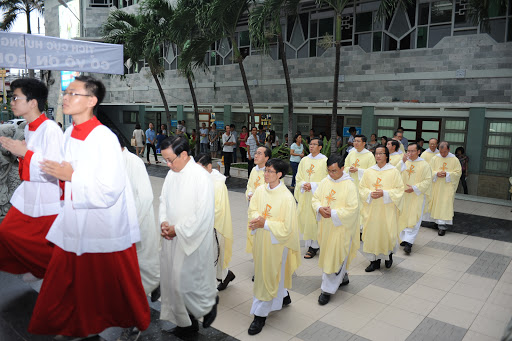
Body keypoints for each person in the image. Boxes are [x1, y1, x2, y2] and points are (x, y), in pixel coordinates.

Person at [35, 76, 150, 340]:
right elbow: (63, 172)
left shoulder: (103, 138)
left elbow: (110, 188)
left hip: (103, 221)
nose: (66, 97)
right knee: (74, 278)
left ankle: (130, 322)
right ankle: (78, 323)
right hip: (76, 216)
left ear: (91, 101)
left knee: (114, 282)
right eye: (66, 92)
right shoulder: (68, 133)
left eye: (73, 93)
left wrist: (72, 175)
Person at [0, 78, 63, 280]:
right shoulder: (28, 128)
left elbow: (54, 169)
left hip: (46, 197)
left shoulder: (51, 129)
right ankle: (47, 271)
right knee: (8, 233)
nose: (12, 102)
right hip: (28, 193)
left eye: (16, 97)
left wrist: (24, 153)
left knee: (42, 245)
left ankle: (59, 272)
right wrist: (20, 152)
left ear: (33, 102)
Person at [159, 136, 218, 337]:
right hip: (172, 237)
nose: (168, 164)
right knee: (175, 283)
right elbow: (163, 200)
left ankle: (193, 321)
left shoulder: (200, 177)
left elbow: (202, 215)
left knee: (185, 284)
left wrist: (179, 229)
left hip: (192, 240)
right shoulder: (172, 174)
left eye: (170, 159)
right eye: (165, 160)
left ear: (184, 155)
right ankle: (184, 322)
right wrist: (164, 222)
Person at [247, 158, 300, 335]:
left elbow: (287, 227)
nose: (266, 174)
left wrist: (265, 223)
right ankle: (283, 296)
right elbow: (252, 209)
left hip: (277, 242)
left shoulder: (286, 197)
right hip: (261, 239)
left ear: (279, 174)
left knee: (268, 275)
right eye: (266, 171)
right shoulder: (260, 190)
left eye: (270, 171)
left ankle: (260, 315)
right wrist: (257, 220)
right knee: (265, 272)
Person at [118, 133, 161, 302]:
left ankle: (153, 287)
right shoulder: (112, 161)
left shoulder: (134, 162)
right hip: (124, 222)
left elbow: (145, 197)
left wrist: (132, 223)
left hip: (138, 219)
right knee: (134, 264)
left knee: (144, 260)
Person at [312, 154, 359, 305]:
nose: (331, 174)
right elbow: (315, 199)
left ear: (342, 169)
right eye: (329, 171)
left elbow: (353, 209)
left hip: (341, 228)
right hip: (325, 227)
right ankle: (343, 276)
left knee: (335, 255)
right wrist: (319, 208)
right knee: (328, 254)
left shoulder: (349, 185)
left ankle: (327, 290)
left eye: (334, 171)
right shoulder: (325, 181)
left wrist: (332, 213)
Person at [359, 145, 404, 272]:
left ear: (386, 155)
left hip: (387, 209)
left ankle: (388, 255)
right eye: (376, 153)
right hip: (372, 209)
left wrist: (384, 193)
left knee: (386, 233)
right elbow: (362, 188)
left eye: (381, 153)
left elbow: (400, 190)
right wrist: (369, 194)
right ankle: (374, 261)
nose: (378, 156)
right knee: (372, 234)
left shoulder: (393, 171)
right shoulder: (369, 171)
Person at [195, 153, 235, 291]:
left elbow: (218, 209)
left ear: (209, 167)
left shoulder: (218, 184)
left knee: (212, 256)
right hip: (200, 225)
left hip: (213, 226)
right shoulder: (199, 180)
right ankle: (226, 274)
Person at [294, 137, 328, 259]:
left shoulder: (325, 161)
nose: (311, 146)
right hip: (305, 195)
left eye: (314, 144)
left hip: (317, 196)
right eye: (310, 144)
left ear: (320, 147)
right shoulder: (304, 160)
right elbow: (298, 177)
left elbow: (327, 179)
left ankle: (314, 246)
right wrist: (303, 184)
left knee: (315, 220)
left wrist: (312, 185)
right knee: (306, 220)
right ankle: (311, 244)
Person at [397, 143, 432, 254]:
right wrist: (401, 161)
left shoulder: (424, 165)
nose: (410, 153)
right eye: (408, 151)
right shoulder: (404, 162)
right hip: (404, 195)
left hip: (416, 195)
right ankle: (404, 238)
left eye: (413, 151)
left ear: (418, 151)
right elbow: (394, 173)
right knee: (402, 216)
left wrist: (415, 188)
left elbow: (427, 180)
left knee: (414, 218)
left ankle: (409, 242)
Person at [424, 142, 462, 236]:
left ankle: (442, 226)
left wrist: (447, 174)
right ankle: (436, 222)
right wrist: (436, 174)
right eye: (441, 152)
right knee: (436, 203)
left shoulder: (454, 159)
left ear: (449, 150)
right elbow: (429, 170)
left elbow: (458, 173)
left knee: (445, 205)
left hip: (447, 187)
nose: (442, 154)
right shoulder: (435, 158)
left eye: (445, 152)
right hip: (436, 186)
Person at [343, 134, 376, 234]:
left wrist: (359, 170)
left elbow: (372, 171)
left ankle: (361, 230)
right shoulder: (351, 153)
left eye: (358, 141)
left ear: (364, 143)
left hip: (363, 185)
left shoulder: (369, 155)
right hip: (351, 183)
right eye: (355, 141)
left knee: (362, 206)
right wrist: (349, 169)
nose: (355, 143)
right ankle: (352, 226)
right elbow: (345, 167)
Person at [245, 146, 271, 253]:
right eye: (256, 153)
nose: (256, 155)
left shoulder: (270, 172)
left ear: (266, 158)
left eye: (260, 153)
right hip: (253, 207)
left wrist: (255, 197)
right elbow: (250, 185)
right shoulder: (253, 170)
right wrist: (250, 193)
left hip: (264, 208)